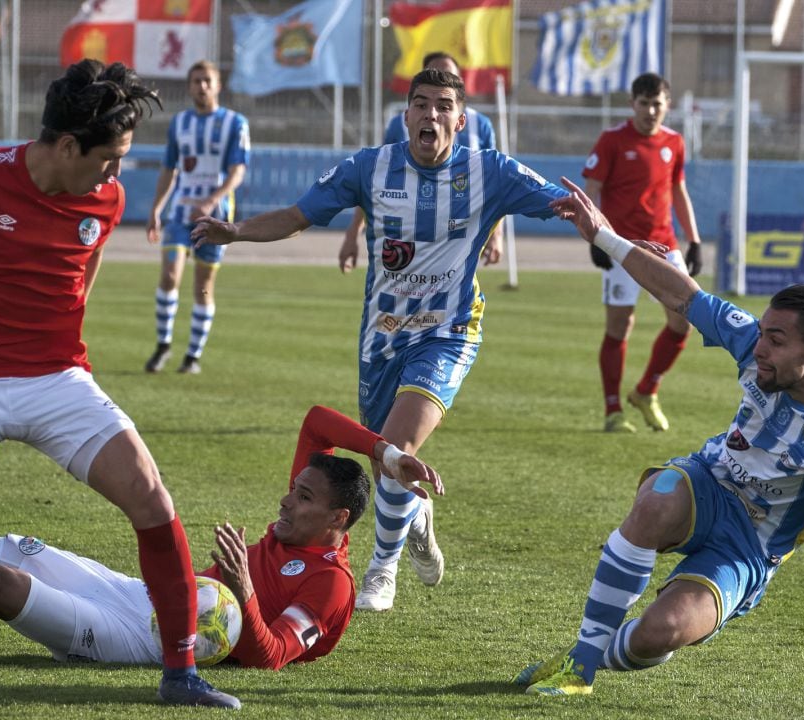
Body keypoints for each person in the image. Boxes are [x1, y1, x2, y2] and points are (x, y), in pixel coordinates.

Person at [0, 60, 239, 708]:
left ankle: (180, 672)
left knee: (151, 497)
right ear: (67, 147)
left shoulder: (107, 198)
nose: (116, 175)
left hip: (57, 378)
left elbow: (79, 278)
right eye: (109, 159)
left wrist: (64, 355)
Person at [191, 69, 571, 612]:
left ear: (461, 122)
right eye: (421, 105)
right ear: (406, 116)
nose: (431, 115)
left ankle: (381, 570)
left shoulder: (490, 171)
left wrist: (625, 242)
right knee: (386, 463)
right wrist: (237, 231)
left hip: (448, 332)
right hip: (382, 339)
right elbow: (300, 215)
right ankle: (415, 515)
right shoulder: (371, 167)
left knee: (399, 445)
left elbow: (565, 204)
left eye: (444, 107)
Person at [514, 177, 804, 697]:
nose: (759, 348)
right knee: (658, 497)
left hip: (750, 546)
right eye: (760, 333)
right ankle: (581, 663)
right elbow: (682, 294)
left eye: (776, 341)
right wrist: (602, 234)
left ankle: (598, 652)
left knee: (657, 635)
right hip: (708, 483)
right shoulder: (755, 343)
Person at [0, 406, 442, 670]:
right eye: (294, 488)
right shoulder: (303, 523)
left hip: (148, 642)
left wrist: (241, 589)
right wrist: (387, 454)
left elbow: (272, 658)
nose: (286, 501)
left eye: (304, 498)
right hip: (139, 595)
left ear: (338, 520)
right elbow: (318, 420)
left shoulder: (331, 585)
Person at [582, 72, 704, 433]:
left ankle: (647, 390)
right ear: (632, 104)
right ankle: (613, 410)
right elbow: (591, 190)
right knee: (621, 325)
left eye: (658, 104)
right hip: (622, 247)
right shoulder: (612, 141)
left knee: (682, 320)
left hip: (666, 246)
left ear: (667, 105)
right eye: (644, 103)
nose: (651, 110)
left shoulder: (674, 142)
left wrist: (694, 239)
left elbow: (678, 191)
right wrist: (597, 239)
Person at [337, 52, 503, 274]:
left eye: (448, 75)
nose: (440, 80)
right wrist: (352, 234)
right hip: (407, 236)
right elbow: (376, 179)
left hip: (459, 237)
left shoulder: (480, 125)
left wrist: (496, 235)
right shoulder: (400, 124)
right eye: (434, 75)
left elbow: (497, 185)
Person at [144, 59, 250, 375]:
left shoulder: (235, 123)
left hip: (215, 217)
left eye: (207, 80)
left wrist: (212, 200)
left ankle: (192, 355)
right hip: (179, 211)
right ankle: (163, 344)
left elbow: (237, 171)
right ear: (189, 86)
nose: (201, 86)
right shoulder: (179, 123)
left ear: (217, 85)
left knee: (203, 285)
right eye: (196, 81)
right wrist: (156, 209)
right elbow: (169, 168)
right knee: (170, 274)